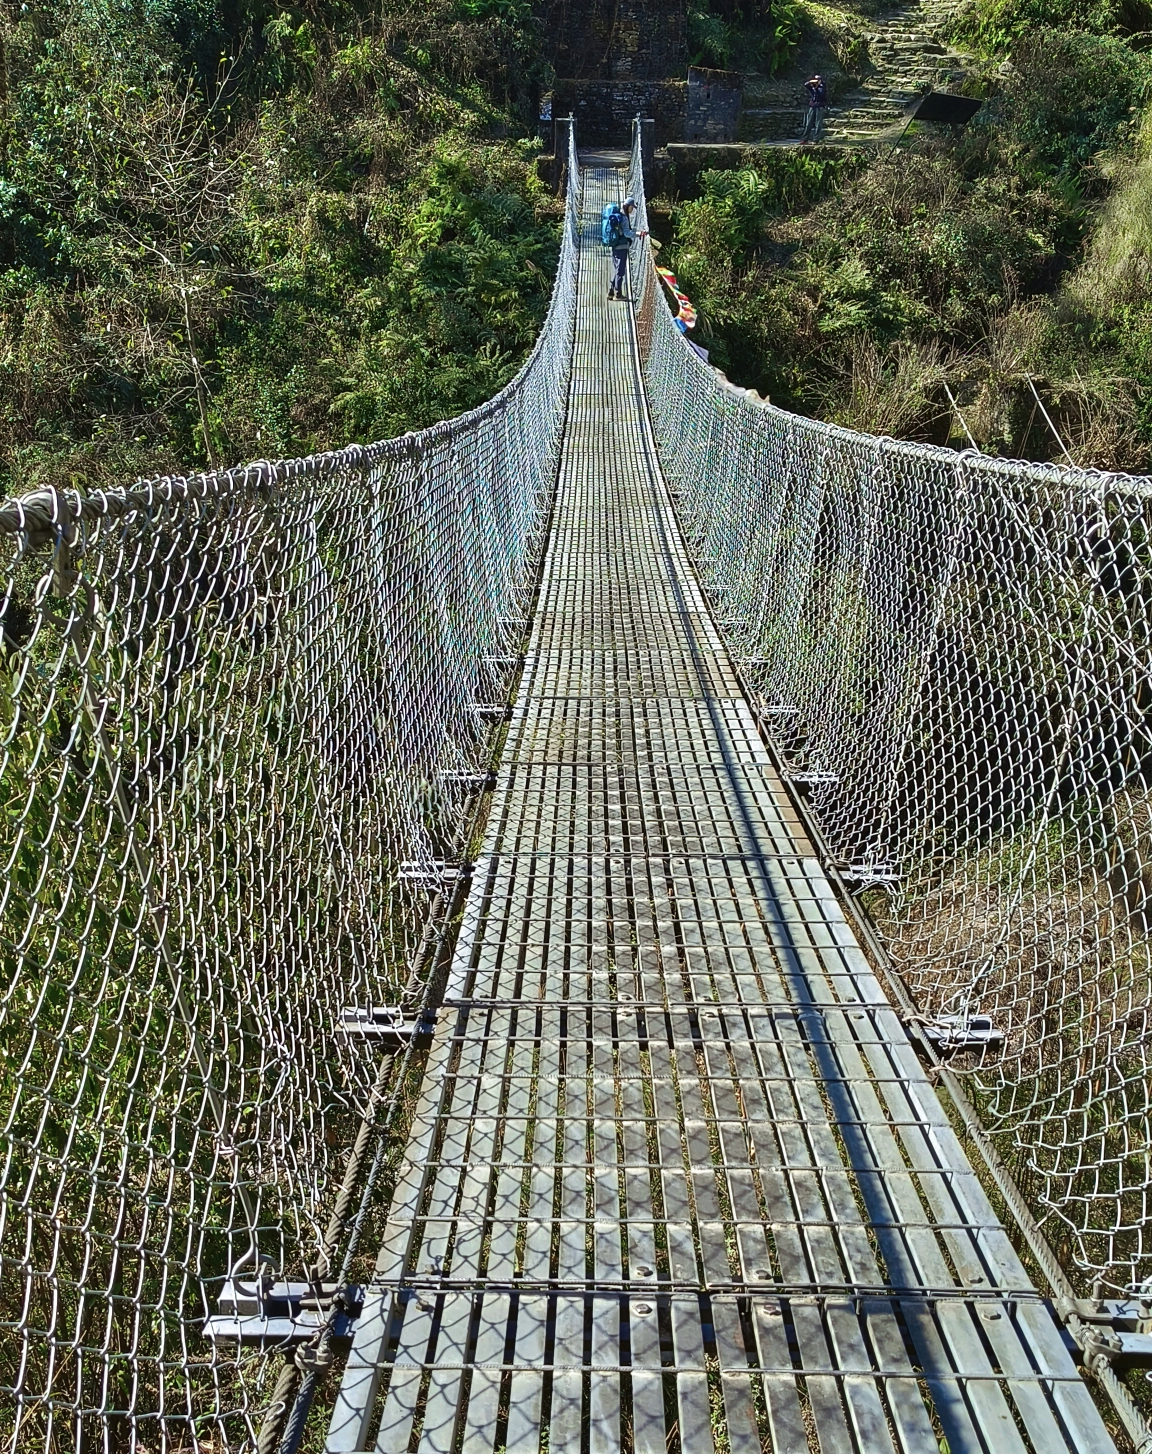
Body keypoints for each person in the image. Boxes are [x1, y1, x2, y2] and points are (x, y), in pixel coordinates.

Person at [604, 197, 644, 301]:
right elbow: (626, 233)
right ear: (628, 206)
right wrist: (638, 234)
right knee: (620, 271)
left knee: (617, 269)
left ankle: (610, 291)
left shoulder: (619, 216)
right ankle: (618, 294)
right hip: (622, 247)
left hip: (614, 245)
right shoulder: (624, 218)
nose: (632, 210)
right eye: (632, 207)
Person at [800, 74, 828, 142]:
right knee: (808, 123)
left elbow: (821, 95)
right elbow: (806, 85)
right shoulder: (812, 86)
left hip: (819, 107)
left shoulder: (822, 87)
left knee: (818, 124)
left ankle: (816, 139)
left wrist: (817, 88)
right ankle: (805, 138)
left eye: (817, 80)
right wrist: (811, 82)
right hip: (812, 106)